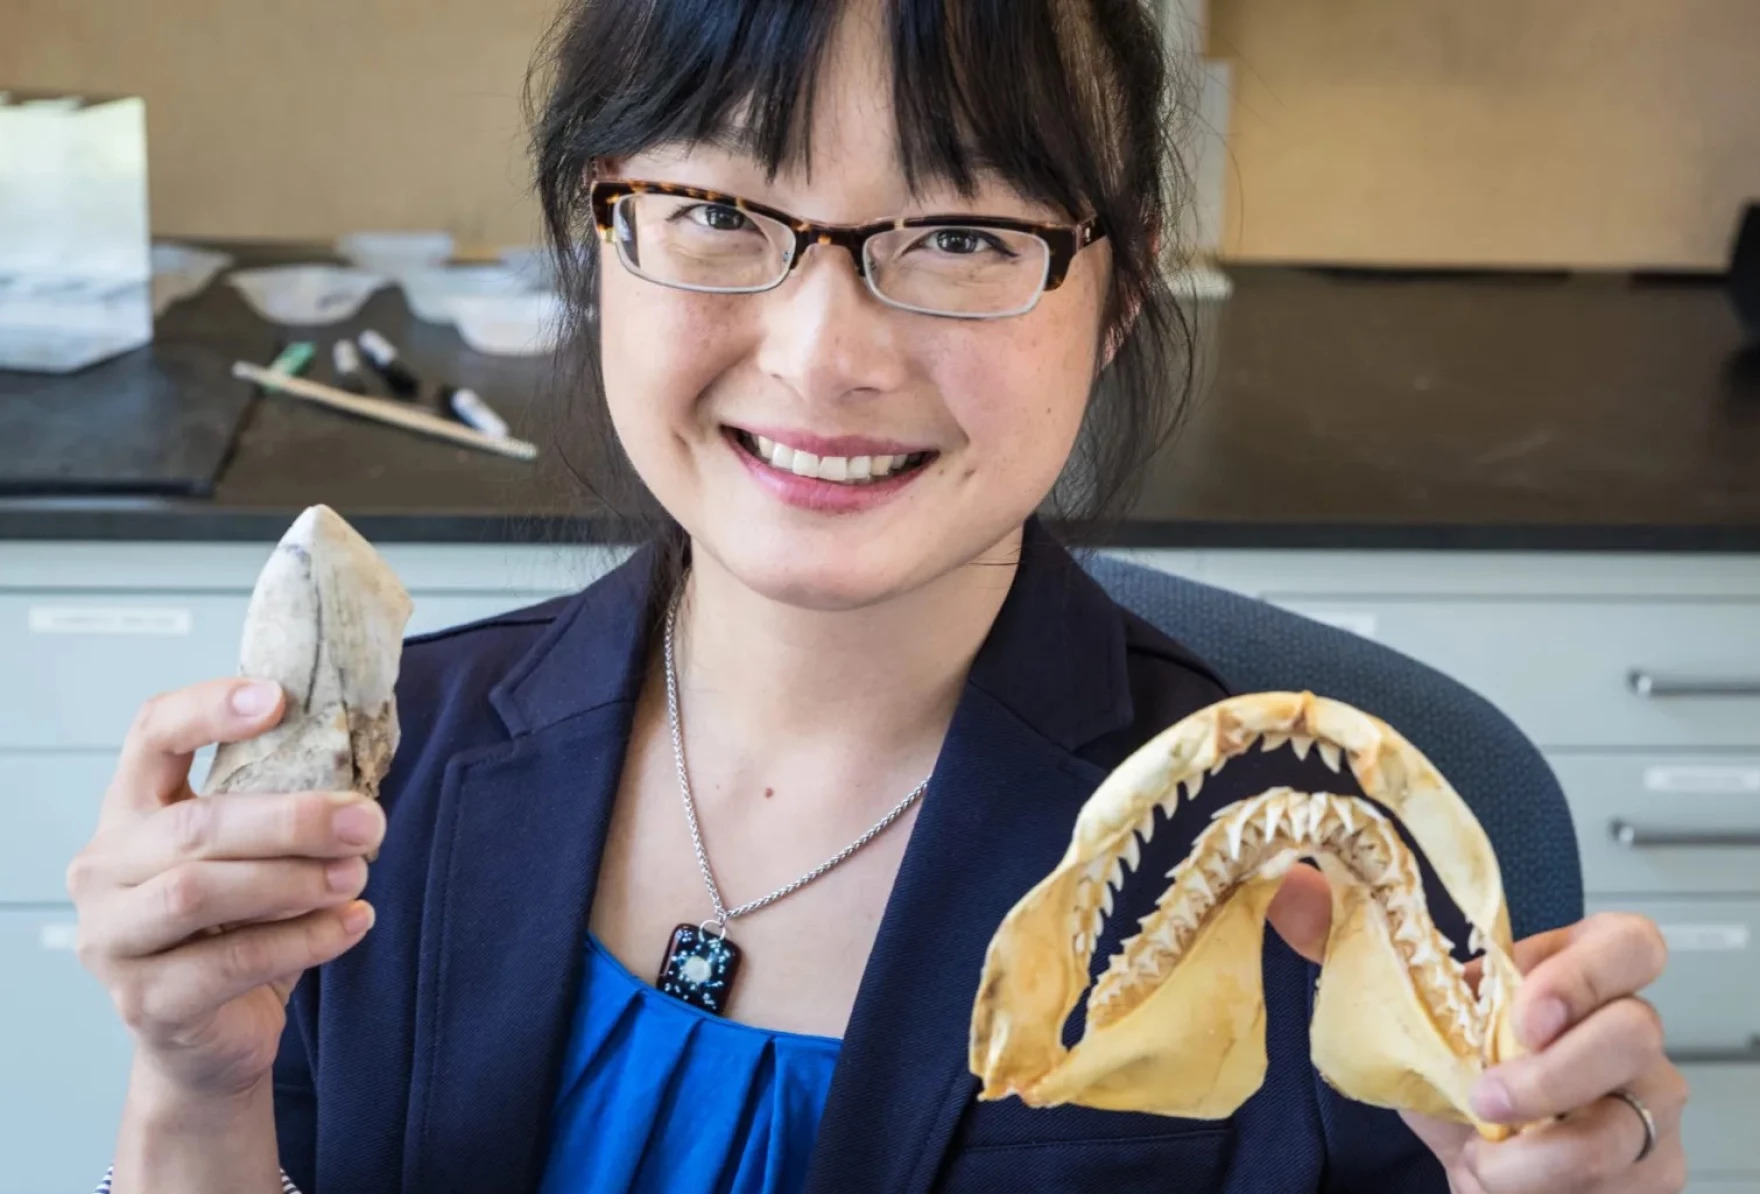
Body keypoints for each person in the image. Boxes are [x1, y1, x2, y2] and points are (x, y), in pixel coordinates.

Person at [72, 0, 1687, 1190]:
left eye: (964, 233)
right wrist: (195, 1088)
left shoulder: (1307, 895)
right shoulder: (384, 788)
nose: (825, 355)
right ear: (597, 244)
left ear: (1115, 297)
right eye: (716, 211)